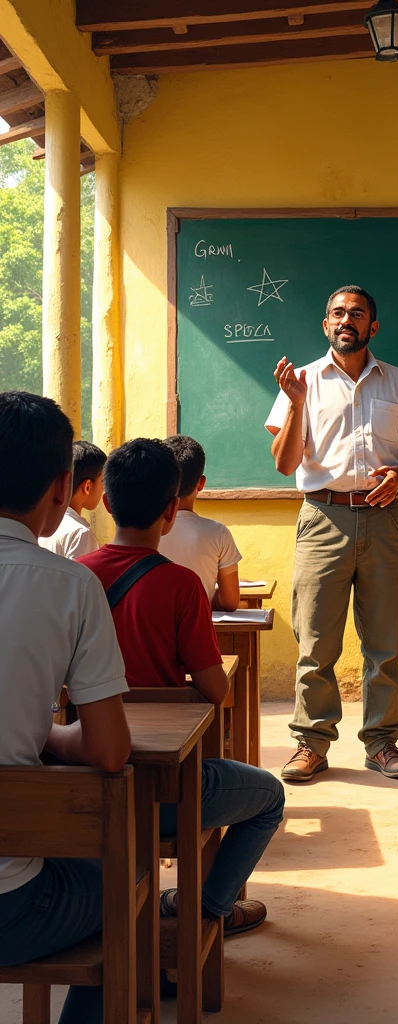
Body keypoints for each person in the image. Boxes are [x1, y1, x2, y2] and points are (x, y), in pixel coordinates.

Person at [79, 438, 284, 941]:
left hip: (86, 779)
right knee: (270, 797)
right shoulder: (180, 586)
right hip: (164, 785)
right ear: (172, 511)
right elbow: (216, 690)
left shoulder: (77, 578)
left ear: (106, 502)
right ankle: (206, 909)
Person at [265, 285, 398, 782]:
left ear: (372, 327)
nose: (347, 320)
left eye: (357, 313)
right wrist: (296, 404)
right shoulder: (301, 382)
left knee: (383, 641)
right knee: (315, 641)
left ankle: (383, 743)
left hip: (383, 519)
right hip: (322, 518)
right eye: (338, 312)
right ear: (326, 325)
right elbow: (283, 465)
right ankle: (312, 744)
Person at [0, 391, 131, 1024]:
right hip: (11, 905)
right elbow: (108, 750)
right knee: (122, 879)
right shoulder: (71, 584)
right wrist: (50, 735)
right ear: (62, 487)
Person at [160, 434, 241, 610]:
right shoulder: (218, 533)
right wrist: (201, 599)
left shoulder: (143, 530)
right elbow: (230, 601)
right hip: (198, 630)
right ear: (201, 483)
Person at [38, 439, 106, 559]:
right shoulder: (80, 534)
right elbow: (80, 578)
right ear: (87, 487)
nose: (103, 489)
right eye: (102, 482)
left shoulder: (42, 526)